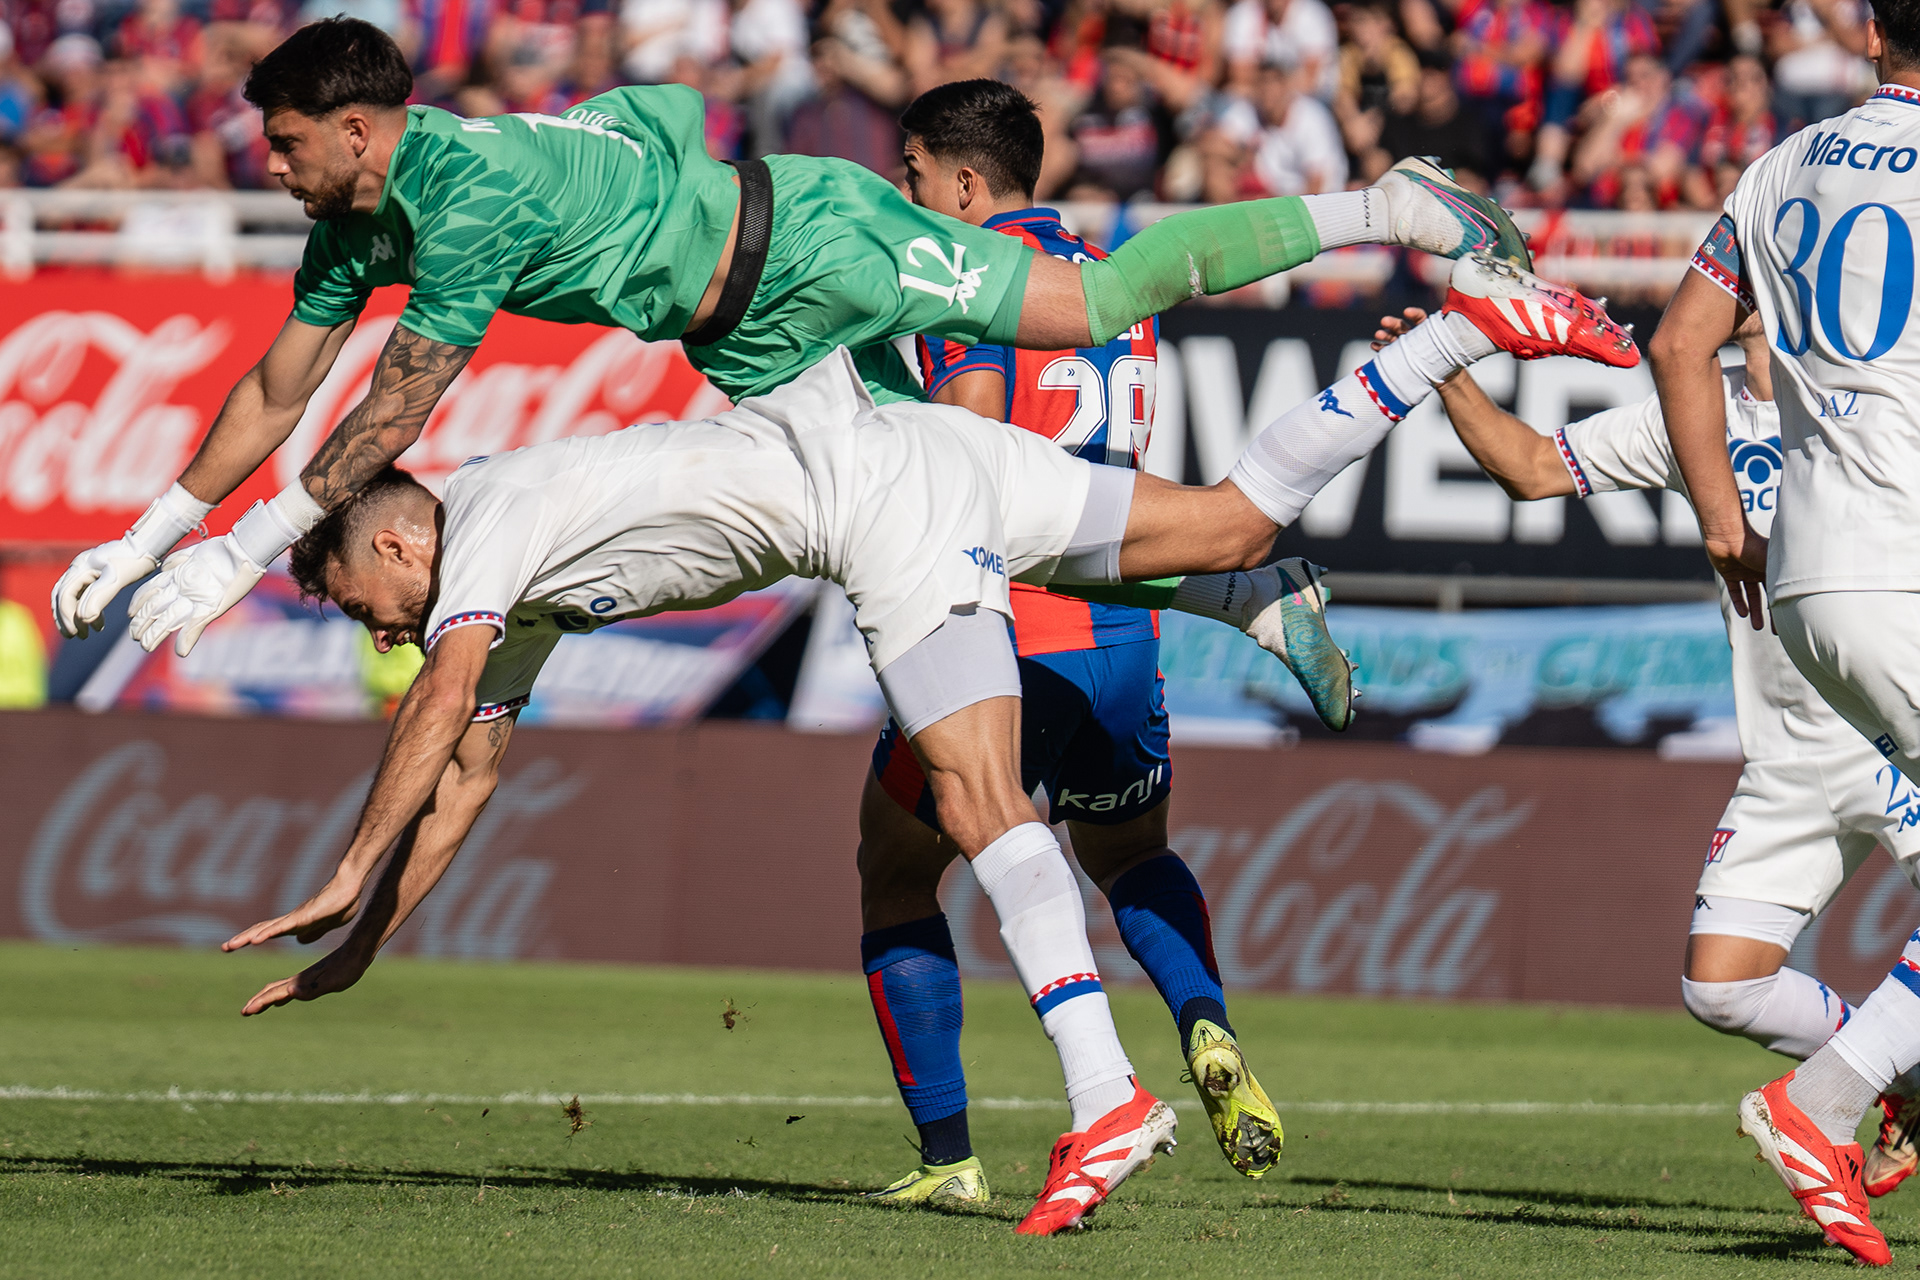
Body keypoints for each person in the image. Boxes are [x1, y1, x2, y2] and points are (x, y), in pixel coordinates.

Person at [218, 251, 1635, 1234]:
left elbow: (429, 705)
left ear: (400, 537)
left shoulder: (494, 515)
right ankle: (1454, 337)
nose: (389, 632)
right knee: (1233, 522)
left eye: (368, 599)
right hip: (927, 460)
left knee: (977, 801)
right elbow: (464, 772)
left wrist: (346, 868)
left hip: (878, 514)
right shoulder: (514, 588)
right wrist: (365, 945)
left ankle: (1107, 1100)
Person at [49, 15, 1535, 690]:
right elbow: (274, 389)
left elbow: (389, 412)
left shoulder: (466, 193)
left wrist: (241, 559)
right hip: (742, 329)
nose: (274, 168)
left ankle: (1383, 200)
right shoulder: (356, 216)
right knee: (883, 513)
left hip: (813, 243)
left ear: (360, 132)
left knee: (1080, 308)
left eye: (290, 144)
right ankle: (1229, 582)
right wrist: (152, 533)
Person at [1384, 301, 1920, 1193]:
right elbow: (1527, 467)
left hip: (1892, 732)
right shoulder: (1691, 418)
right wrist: (1443, 370)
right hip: (1788, 755)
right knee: (1721, 985)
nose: (1742, 284)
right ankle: (1898, 1070)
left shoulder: (1880, 397)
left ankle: (1846, 1085)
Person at [857, 80, 1278, 1211]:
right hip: (1125, 633)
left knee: (895, 868)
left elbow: (979, 438)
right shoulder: (1109, 278)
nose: (906, 195)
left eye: (910, 176)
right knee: (1133, 856)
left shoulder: (967, 282)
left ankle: (952, 1156)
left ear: (961, 182)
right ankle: (1208, 1029)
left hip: (1005, 627)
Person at [1650, 1, 1920, 1263]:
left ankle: (1860, 1083)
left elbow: (1682, 340)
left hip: (1805, 580)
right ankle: (1824, 1100)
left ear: (1871, 33)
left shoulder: (1781, 165)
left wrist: (1722, 521)